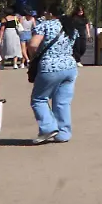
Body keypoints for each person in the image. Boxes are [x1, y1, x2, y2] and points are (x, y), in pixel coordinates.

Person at [28, 11, 80, 144]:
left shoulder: (46, 25)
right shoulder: (71, 27)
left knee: (39, 99)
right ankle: (64, 133)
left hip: (50, 67)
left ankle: (48, 127)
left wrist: (35, 55)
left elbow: (33, 44)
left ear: (51, 13)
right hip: (69, 66)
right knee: (62, 102)